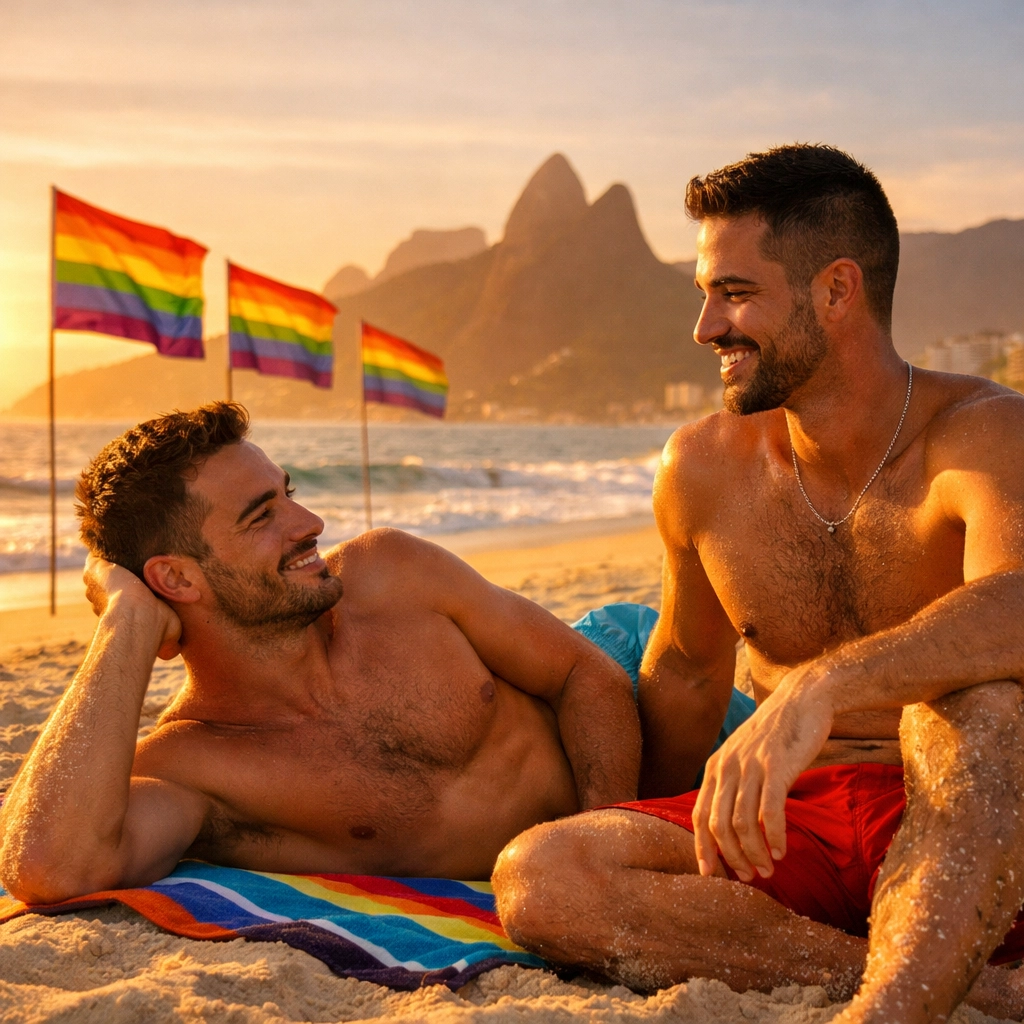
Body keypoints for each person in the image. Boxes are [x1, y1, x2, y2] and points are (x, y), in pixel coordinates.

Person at [492, 144, 1024, 1024]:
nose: (706, 328)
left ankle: (890, 1011)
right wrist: (640, 822)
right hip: (797, 825)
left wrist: (829, 680)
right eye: (705, 294)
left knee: (977, 708)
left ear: (836, 291)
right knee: (542, 877)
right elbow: (688, 674)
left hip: (974, 818)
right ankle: (972, 988)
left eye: (734, 294)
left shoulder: (984, 436)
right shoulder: (703, 469)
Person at [0, 402, 643, 904]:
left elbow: (584, 674)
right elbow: (52, 866)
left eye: (289, 491)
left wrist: (599, 848)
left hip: (624, 674)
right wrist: (126, 620)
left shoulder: (391, 573)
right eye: (262, 516)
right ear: (179, 580)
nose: (309, 522)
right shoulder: (194, 764)